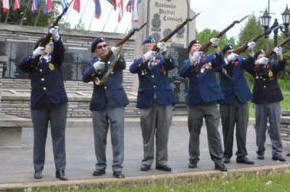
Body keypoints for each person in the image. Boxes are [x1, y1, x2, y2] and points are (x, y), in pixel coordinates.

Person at [17, 27, 69, 180]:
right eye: (43, 45)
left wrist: (57, 38)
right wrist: (34, 55)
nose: (47, 46)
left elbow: (61, 52)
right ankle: (38, 168)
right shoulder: (33, 63)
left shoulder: (55, 60)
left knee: (58, 137)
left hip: (58, 103)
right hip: (39, 104)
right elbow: (21, 65)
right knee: (39, 138)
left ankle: (60, 169)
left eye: (47, 44)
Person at [82, 37, 129, 178]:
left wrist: (116, 54)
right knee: (99, 138)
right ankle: (100, 166)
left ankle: (118, 168)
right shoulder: (92, 63)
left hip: (116, 102)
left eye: (105, 46)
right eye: (100, 47)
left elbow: (123, 65)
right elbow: (84, 77)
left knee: (118, 137)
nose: (103, 48)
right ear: (95, 51)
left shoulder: (115, 59)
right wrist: (95, 68)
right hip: (99, 104)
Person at [179, 38, 227, 171]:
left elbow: (221, 62)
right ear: (190, 50)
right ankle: (193, 158)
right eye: (194, 45)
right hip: (195, 102)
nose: (197, 47)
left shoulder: (209, 58)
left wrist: (217, 48)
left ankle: (218, 160)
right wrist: (192, 60)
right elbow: (182, 73)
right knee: (194, 132)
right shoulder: (187, 62)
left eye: (199, 45)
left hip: (210, 101)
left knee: (214, 132)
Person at [129, 35, 176, 172]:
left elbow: (172, 64)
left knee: (163, 134)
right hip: (147, 101)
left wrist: (166, 52)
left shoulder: (162, 59)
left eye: (153, 45)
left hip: (163, 100)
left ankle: (162, 161)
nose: (152, 46)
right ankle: (147, 160)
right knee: (147, 134)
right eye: (149, 45)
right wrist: (145, 57)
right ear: (145, 48)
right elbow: (132, 69)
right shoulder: (141, 60)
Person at [244, 45, 286, 161]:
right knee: (260, 127)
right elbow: (247, 65)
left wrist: (279, 54)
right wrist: (252, 55)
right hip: (260, 100)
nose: (263, 58)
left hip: (273, 99)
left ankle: (277, 152)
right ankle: (260, 150)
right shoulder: (255, 68)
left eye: (264, 56)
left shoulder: (271, 66)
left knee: (275, 126)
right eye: (260, 56)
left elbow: (281, 65)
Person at [218, 44, 255, 165]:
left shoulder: (240, 60)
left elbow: (251, 68)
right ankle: (227, 154)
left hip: (241, 98)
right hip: (227, 99)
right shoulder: (221, 62)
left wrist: (250, 54)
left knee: (242, 129)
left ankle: (242, 155)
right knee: (227, 129)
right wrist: (227, 59)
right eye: (228, 52)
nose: (232, 53)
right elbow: (219, 68)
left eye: (233, 52)